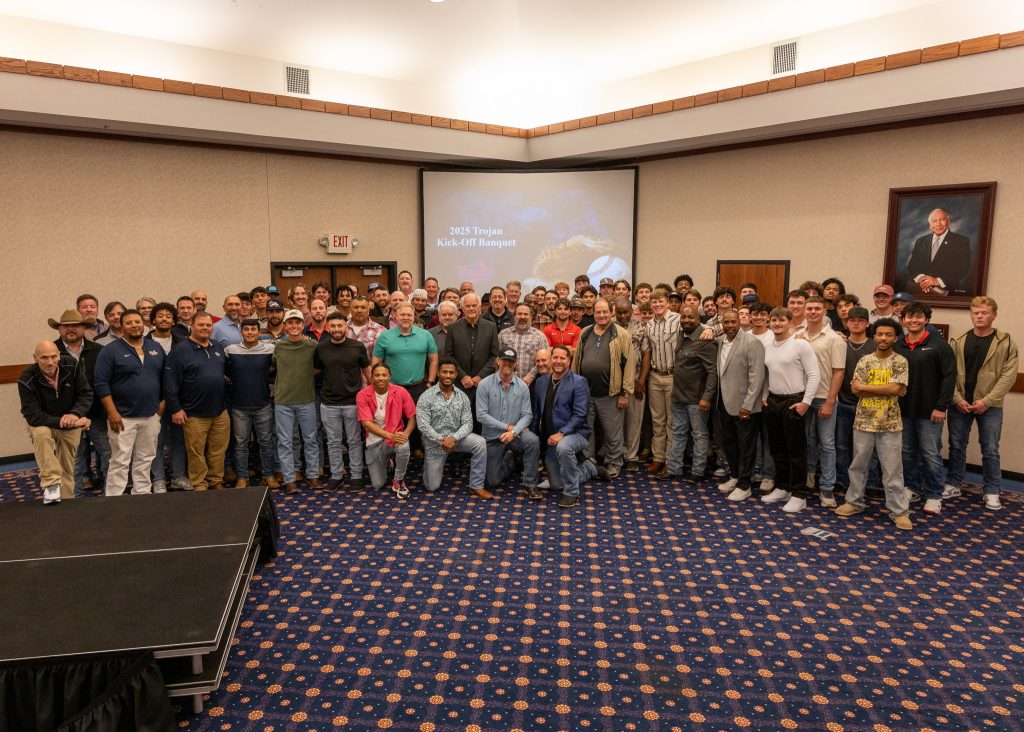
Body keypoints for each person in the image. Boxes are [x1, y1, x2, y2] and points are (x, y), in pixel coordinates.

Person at [835, 318, 913, 530]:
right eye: (880, 334)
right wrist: (888, 388)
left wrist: (869, 387)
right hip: (863, 421)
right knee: (858, 466)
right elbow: (854, 389)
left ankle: (899, 511)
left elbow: (896, 389)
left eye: (888, 335)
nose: (884, 338)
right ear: (874, 336)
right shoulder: (865, 360)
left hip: (890, 424)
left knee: (892, 470)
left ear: (895, 338)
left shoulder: (900, 361)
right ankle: (854, 502)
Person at [946, 296, 1018, 511]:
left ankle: (992, 490)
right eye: (975, 312)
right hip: (961, 404)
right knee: (957, 446)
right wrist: (957, 399)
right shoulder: (958, 341)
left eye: (984, 312)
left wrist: (986, 401)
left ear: (993, 315)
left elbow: (1008, 376)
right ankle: (953, 483)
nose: (979, 316)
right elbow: (948, 374)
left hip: (990, 406)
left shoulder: (1005, 342)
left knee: (990, 449)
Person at [94, 310, 166, 496]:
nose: (134, 325)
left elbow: (165, 378)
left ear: (144, 324)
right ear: (121, 326)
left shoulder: (155, 347)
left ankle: (141, 494)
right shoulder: (110, 350)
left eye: (137, 322)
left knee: (146, 458)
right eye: (129, 322)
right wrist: (112, 412)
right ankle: (114, 499)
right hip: (122, 417)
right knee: (120, 460)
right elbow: (101, 383)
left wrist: (160, 408)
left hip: (151, 416)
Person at [893, 302, 956, 513]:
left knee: (931, 453)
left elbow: (949, 378)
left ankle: (934, 494)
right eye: (909, 316)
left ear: (926, 320)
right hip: (903, 410)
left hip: (930, 411)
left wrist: (941, 406)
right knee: (907, 452)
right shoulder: (898, 344)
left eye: (919, 316)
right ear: (903, 320)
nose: (914, 320)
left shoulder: (939, 346)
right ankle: (912, 487)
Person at [761, 307, 820, 513]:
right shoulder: (767, 344)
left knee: (796, 451)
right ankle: (782, 487)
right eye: (773, 320)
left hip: (794, 401)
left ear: (789, 322)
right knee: (777, 448)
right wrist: (764, 396)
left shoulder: (800, 344)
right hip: (773, 401)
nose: (777, 324)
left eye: (781, 320)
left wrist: (806, 402)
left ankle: (799, 494)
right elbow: (767, 373)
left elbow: (814, 375)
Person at [533, 346, 607, 508]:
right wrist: (534, 438)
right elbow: (537, 413)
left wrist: (562, 433)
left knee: (564, 447)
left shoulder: (579, 382)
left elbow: (580, 415)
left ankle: (572, 493)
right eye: (555, 357)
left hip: (576, 433)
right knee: (556, 485)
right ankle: (589, 469)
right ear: (551, 359)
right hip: (550, 439)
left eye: (562, 358)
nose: (558, 361)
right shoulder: (541, 382)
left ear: (569, 361)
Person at [19, 341, 92, 504]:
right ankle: (51, 483)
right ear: (35, 358)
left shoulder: (71, 365)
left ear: (59, 355)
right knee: (41, 434)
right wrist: (68, 422)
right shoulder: (26, 378)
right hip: (44, 422)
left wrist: (75, 414)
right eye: (44, 358)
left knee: (67, 464)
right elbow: (32, 415)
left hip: (71, 420)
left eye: (53, 357)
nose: (50, 362)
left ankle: (65, 501)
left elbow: (86, 394)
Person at [165, 312, 230, 491]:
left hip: (219, 411)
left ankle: (216, 480)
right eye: (200, 325)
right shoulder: (180, 350)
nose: (205, 328)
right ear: (192, 326)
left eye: (208, 325)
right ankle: (199, 484)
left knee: (218, 450)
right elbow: (170, 382)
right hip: (193, 413)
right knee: (196, 453)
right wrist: (175, 408)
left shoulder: (217, 347)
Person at [572, 298, 635, 479]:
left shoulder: (621, 334)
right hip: (585, 394)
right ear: (593, 313)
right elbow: (577, 361)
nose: (601, 315)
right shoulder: (585, 332)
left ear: (611, 312)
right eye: (598, 312)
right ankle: (589, 461)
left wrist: (625, 393)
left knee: (613, 433)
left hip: (612, 394)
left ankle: (614, 463)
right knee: (586, 431)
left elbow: (629, 365)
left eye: (604, 312)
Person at [51, 309, 108, 496]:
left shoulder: (98, 350)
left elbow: (104, 380)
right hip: (67, 416)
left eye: (75, 325)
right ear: (59, 329)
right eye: (66, 326)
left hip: (96, 413)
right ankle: (73, 499)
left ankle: (113, 494)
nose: (71, 329)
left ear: (84, 328)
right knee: (73, 459)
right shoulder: (51, 352)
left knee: (107, 454)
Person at [316, 311, 371, 491]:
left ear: (345, 327)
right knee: (333, 441)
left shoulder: (357, 347)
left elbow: (367, 372)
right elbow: (315, 372)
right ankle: (336, 475)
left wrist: (374, 396)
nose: (337, 329)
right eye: (333, 326)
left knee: (355, 441)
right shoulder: (321, 347)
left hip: (353, 402)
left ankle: (356, 476)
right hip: (329, 402)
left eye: (340, 325)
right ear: (328, 327)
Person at [715, 309, 766, 501]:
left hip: (745, 406)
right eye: (725, 322)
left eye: (732, 322)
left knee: (746, 447)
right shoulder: (720, 342)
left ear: (740, 322)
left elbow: (757, 377)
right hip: (725, 404)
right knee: (730, 444)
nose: (729, 326)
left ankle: (745, 485)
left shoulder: (752, 343)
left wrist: (748, 405)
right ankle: (735, 476)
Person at [417, 358, 488, 496]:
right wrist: (442, 440)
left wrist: (454, 438)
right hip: (435, 444)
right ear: (438, 373)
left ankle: (476, 485)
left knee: (480, 443)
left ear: (456, 375)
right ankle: (428, 465)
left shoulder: (462, 397)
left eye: (451, 372)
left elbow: (468, 423)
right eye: (444, 372)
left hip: (457, 439)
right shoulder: (426, 396)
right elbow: (423, 425)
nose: (448, 375)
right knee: (432, 486)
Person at [477, 348, 541, 499]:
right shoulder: (484, 384)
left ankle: (531, 484)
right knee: (492, 481)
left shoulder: (523, 386)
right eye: (505, 360)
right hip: (493, 437)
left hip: (515, 435)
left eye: (511, 361)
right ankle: (511, 460)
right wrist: (506, 427)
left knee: (532, 440)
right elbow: (481, 415)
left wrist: (513, 432)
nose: (508, 364)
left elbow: (527, 415)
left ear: (516, 364)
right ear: (497, 361)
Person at [801, 296, 846, 507]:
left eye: (816, 309)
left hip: (823, 398)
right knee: (807, 440)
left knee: (827, 444)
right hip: (802, 398)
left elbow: (838, 373)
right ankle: (809, 476)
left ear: (824, 312)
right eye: (809, 308)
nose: (812, 312)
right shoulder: (798, 336)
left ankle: (827, 489)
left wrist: (830, 401)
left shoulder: (833, 339)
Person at [663, 305, 717, 481]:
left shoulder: (705, 339)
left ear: (698, 318)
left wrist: (706, 398)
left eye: (690, 317)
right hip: (678, 395)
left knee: (699, 435)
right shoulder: (681, 335)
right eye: (683, 317)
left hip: (697, 399)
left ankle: (698, 472)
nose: (686, 320)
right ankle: (674, 469)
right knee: (678, 432)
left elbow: (712, 372)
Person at [225, 319, 279, 489]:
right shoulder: (230, 351)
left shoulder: (270, 349)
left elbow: (275, 369)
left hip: (263, 404)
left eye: (253, 329)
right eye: (246, 329)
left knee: (266, 442)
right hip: (239, 406)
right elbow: (225, 374)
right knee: (241, 443)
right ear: (241, 332)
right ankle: (242, 477)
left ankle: (268, 475)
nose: (250, 332)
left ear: (259, 331)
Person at [274, 309, 322, 494]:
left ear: (303, 325)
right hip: (283, 402)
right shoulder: (278, 346)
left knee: (310, 439)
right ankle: (289, 479)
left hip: (306, 400)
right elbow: (274, 366)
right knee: (285, 441)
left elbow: (318, 368)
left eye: (297, 323)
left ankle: (312, 476)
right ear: (285, 326)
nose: (294, 326)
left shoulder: (312, 345)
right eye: (290, 323)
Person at [358, 363, 416, 497]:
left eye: (384, 375)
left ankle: (398, 480)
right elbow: (367, 424)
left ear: (389, 377)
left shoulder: (401, 391)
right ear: (371, 377)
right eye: (377, 375)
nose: (380, 378)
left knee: (404, 446)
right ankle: (388, 462)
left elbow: (412, 417)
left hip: (395, 438)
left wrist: (405, 435)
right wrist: (391, 436)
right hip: (374, 441)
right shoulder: (362, 395)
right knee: (378, 484)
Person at [835, 307, 873, 496]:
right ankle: (842, 480)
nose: (856, 323)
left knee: (865, 448)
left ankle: (869, 483)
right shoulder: (839, 343)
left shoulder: (874, 346)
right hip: (842, 403)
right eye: (852, 320)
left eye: (860, 320)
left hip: (867, 405)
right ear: (846, 323)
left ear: (867, 323)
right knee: (842, 445)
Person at [444, 293, 499, 418]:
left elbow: (494, 356)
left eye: (474, 305)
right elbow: (449, 356)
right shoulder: (453, 328)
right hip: (460, 384)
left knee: (482, 419)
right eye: (467, 306)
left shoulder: (490, 327)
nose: (471, 309)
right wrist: (463, 376)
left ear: (480, 308)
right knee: (460, 418)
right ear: (462, 309)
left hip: (484, 383)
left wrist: (480, 376)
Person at [645, 289, 680, 474]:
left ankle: (670, 460)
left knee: (672, 422)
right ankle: (658, 457)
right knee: (657, 420)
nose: (657, 305)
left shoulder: (678, 320)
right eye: (654, 302)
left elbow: (700, 328)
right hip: (655, 376)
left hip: (673, 376)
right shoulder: (649, 325)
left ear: (667, 302)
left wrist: (707, 330)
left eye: (660, 301)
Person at [615, 297, 650, 472]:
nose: (622, 316)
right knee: (615, 422)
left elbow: (646, 355)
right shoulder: (609, 327)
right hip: (614, 383)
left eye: (625, 312)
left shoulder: (641, 327)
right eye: (619, 312)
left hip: (635, 381)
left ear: (632, 311)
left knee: (634, 422)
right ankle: (616, 454)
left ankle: (631, 456)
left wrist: (641, 381)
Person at [903, 208, 972, 296]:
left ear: (948, 222)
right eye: (934, 221)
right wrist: (921, 278)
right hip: (921, 291)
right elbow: (912, 265)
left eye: (942, 220)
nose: (938, 224)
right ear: (930, 225)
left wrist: (938, 281)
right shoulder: (921, 241)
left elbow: (962, 268)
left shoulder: (961, 241)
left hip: (948, 292)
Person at [498, 303, 548, 386]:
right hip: (506, 382)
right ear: (514, 316)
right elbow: (497, 358)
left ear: (531, 317)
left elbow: (544, 360)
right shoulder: (503, 334)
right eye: (519, 314)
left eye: (526, 314)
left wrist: (531, 376)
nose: (522, 317)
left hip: (532, 383)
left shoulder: (540, 336)